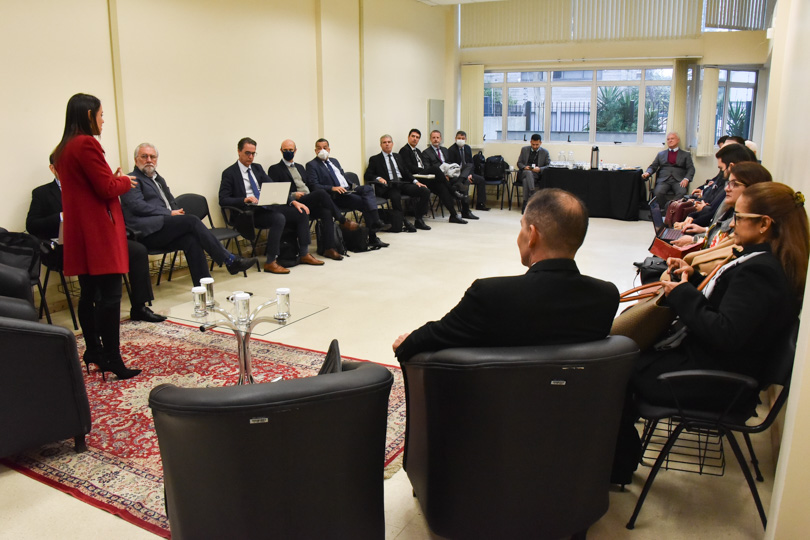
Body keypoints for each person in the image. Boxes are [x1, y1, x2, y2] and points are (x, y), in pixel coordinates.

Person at [612, 182, 808, 485]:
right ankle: (619, 456)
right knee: (623, 358)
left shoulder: (761, 272)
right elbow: (729, 307)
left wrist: (683, 294)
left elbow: (726, 333)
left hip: (716, 380)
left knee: (617, 368)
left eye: (740, 217)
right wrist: (694, 279)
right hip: (716, 366)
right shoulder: (762, 259)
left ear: (763, 224)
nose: (733, 223)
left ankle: (618, 464)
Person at [393, 188, 620, 362]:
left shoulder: (491, 295)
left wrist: (406, 344)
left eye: (521, 227)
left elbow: (436, 336)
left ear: (532, 235)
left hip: (494, 412)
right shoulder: (606, 297)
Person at [51, 93, 141, 380]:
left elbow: (90, 186)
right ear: (89, 114)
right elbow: (105, 189)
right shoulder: (87, 143)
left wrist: (112, 180)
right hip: (99, 231)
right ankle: (113, 358)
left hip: (81, 232)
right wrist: (124, 181)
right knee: (111, 296)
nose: (103, 121)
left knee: (89, 292)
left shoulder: (63, 148)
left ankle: (93, 351)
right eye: (101, 115)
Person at [26, 157, 165, 323]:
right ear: (53, 169)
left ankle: (139, 307)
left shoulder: (86, 187)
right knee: (95, 262)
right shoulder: (42, 193)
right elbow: (32, 225)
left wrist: (112, 184)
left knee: (137, 251)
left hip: (97, 239)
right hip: (64, 245)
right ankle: (98, 312)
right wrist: (62, 216)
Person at [122, 143, 257, 282]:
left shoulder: (158, 179)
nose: (149, 160)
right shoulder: (131, 179)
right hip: (148, 232)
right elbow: (137, 206)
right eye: (144, 156)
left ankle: (203, 290)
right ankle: (229, 259)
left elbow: (171, 201)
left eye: (152, 156)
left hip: (164, 229)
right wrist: (169, 214)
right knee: (191, 220)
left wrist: (175, 212)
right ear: (135, 159)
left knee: (191, 240)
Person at [220, 138, 323, 273]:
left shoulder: (257, 168)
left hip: (265, 207)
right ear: (239, 152)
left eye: (253, 153)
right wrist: (244, 199)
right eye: (247, 153)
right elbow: (223, 200)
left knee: (301, 211)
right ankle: (271, 261)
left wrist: (292, 201)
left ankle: (304, 254)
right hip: (247, 213)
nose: (250, 157)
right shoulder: (229, 173)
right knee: (278, 218)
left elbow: (274, 187)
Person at [266, 139, 359, 261]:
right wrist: (293, 195)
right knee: (321, 193)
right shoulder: (274, 169)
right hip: (294, 203)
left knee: (326, 211)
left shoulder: (300, 167)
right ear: (281, 151)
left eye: (291, 150)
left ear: (295, 151)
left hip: (308, 199)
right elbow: (276, 191)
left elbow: (309, 185)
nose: (288, 152)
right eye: (285, 150)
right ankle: (342, 220)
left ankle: (329, 248)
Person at [305, 138, 389, 248]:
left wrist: (353, 186)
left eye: (324, 148)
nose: (322, 150)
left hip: (349, 189)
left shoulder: (334, 161)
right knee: (365, 203)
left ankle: (376, 221)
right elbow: (314, 186)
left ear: (329, 149)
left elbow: (342, 176)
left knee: (367, 189)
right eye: (319, 148)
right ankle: (373, 235)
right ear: (315, 151)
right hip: (336, 195)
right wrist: (332, 188)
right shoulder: (312, 165)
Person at [673, 143, 757, 244]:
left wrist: (695, 239)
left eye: (733, 184)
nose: (727, 188)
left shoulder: (742, 201)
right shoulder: (735, 191)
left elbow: (724, 239)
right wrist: (704, 230)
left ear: (731, 166)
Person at [364, 134, 432, 232]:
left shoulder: (398, 156)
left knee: (425, 191)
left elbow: (406, 172)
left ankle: (419, 219)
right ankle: (404, 221)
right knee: (395, 196)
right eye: (384, 142)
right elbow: (368, 175)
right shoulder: (375, 159)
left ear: (392, 144)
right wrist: (379, 178)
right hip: (388, 186)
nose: (387, 144)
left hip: (401, 183)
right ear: (381, 145)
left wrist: (416, 182)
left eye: (389, 142)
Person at [422, 130, 476, 223]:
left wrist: (449, 173)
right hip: (437, 179)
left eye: (437, 137)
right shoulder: (426, 153)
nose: (436, 140)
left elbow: (451, 163)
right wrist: (443, 175)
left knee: (466, 178)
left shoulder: (445, 150)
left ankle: (466, 211)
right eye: (433, 138)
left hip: (450, 175)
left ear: (441, 139)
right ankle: (454, 201)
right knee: (445, 188)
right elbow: (428, 169)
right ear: (430, 139)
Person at [642, 132, 695, 202]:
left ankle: (673, 210)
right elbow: (653, 166)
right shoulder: (661, 154)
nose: (670, 140)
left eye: (672, 139)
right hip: (663, 180)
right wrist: (648, 172)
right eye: (668, 139)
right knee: (657, 193)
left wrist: (686, 179)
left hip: (679, 180)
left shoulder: (686, 154)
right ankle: (664, 211)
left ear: (678, 140)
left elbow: (691, 168)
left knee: (682, 192)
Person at [447, 130, 489, 211]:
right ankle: (464, 207)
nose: (461, 140)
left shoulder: (467, 148)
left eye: (463, 138)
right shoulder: (451, 149)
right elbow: (452, 166)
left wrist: (469, 174)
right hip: (457, 174)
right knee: (466, 182)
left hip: (468, 173)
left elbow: (471, 164)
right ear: (455, 138)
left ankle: (480, 204)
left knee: (481, 180)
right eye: (459, 138)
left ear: (466, 139)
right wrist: (464, 175)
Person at [516, 133, 551, 207]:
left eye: (537, 145)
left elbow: (548, 165)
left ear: (540, 143)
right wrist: (524, 167)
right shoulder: (524, 149)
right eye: (533, 144)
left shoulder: (545, 152)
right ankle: (532, 192)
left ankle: (525, 203)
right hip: (524, 173)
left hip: (536, 175)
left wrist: (540, 169)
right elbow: (519, 163)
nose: (535, 146)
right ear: (530, 142)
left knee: (526, 181)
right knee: (528, 172)